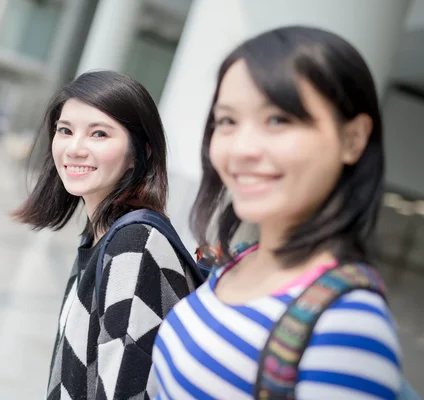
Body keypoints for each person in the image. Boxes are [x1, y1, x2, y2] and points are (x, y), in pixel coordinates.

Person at [151, 26, 404, 399]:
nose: (242, 149)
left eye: (278, 120)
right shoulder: (240, 262)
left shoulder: (347, 328)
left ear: (352, 139)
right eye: (227, 121)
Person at [12, 70, 199, 400]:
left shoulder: (135, 246)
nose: (75, 148)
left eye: (99, 134)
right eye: (65, 130)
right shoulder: (101, 235)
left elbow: (124, 388)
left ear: (140, 154)